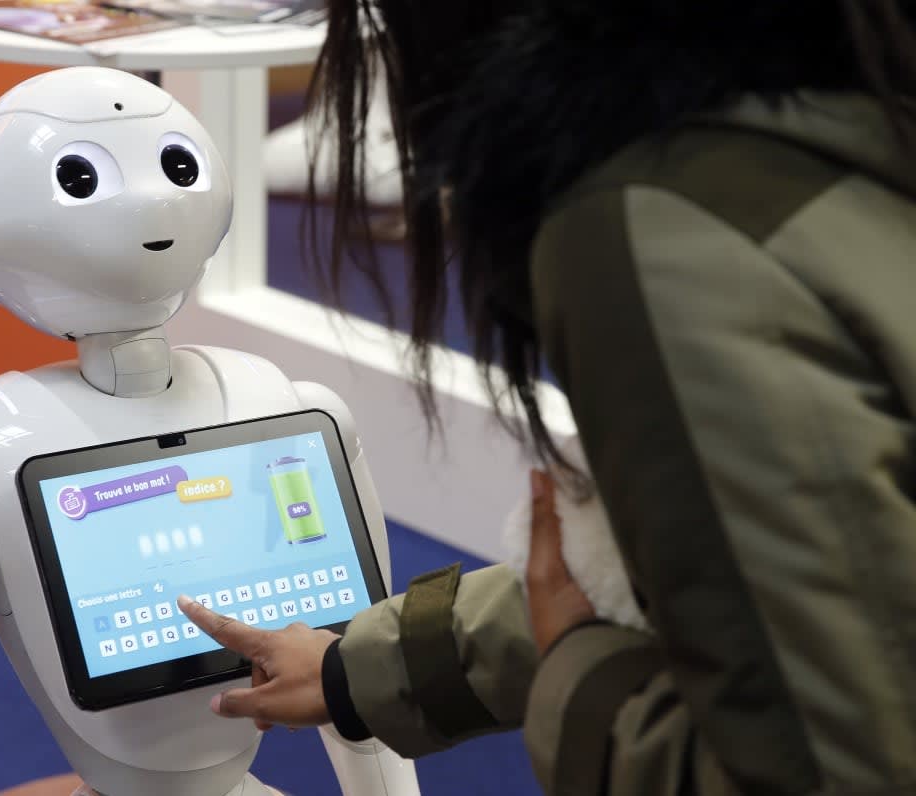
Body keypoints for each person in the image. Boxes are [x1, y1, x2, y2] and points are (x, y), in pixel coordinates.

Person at [179, 1, 916, 792]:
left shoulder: (663, 231)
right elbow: (765, 572)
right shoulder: (851, 110)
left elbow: (838, 763)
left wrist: (581, 671)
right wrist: (358, 668)